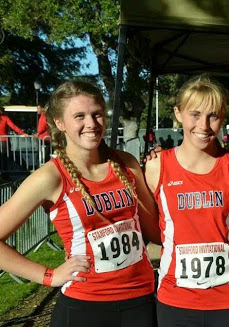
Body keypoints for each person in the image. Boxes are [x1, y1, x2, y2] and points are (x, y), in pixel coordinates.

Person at [0, 81, 160, 327]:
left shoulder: (126, 163)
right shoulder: (50, 177)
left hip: (141, 300)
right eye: (79, 116)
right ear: (60, 123)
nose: (92, 124)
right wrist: (49, 276)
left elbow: (154, 231)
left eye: (96, 114)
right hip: (85, 306)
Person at [144, 75, 229, 327]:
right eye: (194, 114)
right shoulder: (156, 167)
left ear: (222, 117)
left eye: (213, 116)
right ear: (178, 113)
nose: (203, 125)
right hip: (176, 298)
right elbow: (148, 227)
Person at [0, 105, 27, 170]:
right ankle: (5, 174)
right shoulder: (5, 118)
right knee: (5, 158)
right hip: (4, 141)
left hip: (4, 141)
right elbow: (13, 126)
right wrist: (22, 133)